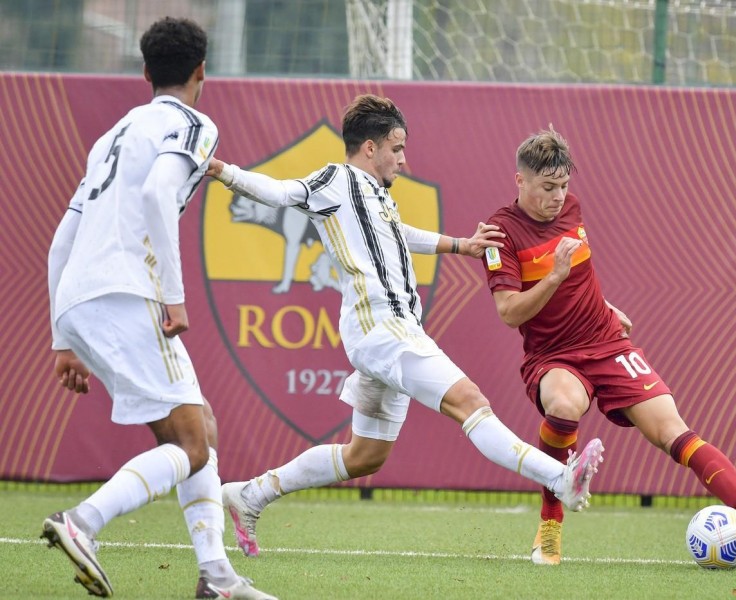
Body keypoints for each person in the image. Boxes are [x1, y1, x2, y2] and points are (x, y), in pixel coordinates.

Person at [204, 94, 605, 558]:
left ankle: (249, 495)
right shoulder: (337, 180)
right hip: (381, 328)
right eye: (397, 148)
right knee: (470, 401)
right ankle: (560, 478)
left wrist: (461, 245)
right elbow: (280, 193)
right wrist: (224, 172)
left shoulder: (375, 195)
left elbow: (399, 233)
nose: (403, 158)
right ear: (370, 148)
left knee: (364, 456)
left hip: (387, 331)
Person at [43, 17, 276, 600]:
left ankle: (217, 578)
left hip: (79, 297)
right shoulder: (194, 123)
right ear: (202, 71)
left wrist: (61, 336)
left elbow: (60, 240)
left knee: (197, 432)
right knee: (194, 445)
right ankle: (82, 523)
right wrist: (174, 295)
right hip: (127, 295)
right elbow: (154, 195)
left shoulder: (112, 135)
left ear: (145, 72)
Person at [481, 128, 736, 566]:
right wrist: (553, 277)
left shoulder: (572, 208)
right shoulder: (500, 233)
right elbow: (510, 311)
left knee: (671, 430)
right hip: (554, 355)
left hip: (606, 341)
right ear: (520, 181)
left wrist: (603, 303)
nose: (557, 196)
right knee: (564, 405)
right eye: (547, 187)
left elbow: (581, 274)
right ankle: (550, 524)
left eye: (564, 186)